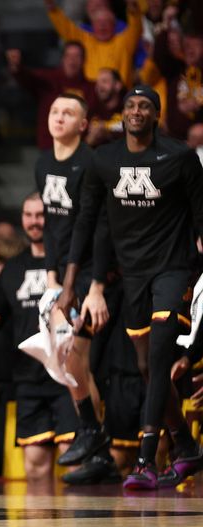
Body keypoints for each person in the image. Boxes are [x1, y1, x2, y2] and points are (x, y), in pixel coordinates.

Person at [58, 85, 203, 489]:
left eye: (145, 106)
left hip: (175, 270)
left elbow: (201, 217)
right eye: (131, 105)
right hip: (132, 276)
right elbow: (87, 225)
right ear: (121, 114)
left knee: (157, 358)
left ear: (156, 115)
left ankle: (145, 460)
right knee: (147, 366)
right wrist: (79, 285)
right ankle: (188, 448)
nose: (137, 111)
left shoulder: (180, 157)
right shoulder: (103, 161)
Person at [34, 93, 122, 484]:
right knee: (69, 360)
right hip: (63, 278)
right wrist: (50, 278)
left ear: (83, 124)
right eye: (54, 110)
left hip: (91, 275)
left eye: (68, 112)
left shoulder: (90, 165)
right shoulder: (43, 163)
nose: (59, 117)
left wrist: (96, 288)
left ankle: (93, 435)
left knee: (75, 356)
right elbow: (52, 230)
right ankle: (96, 444)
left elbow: (101, 231)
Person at [0, 194, 81, 484]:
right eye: (28, 215)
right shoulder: (12, 268)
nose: (34, 221)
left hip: (66, 376)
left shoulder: (69, 263)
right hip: (27, 378)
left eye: (40, 214)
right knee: (34, 464)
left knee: (73, 458)